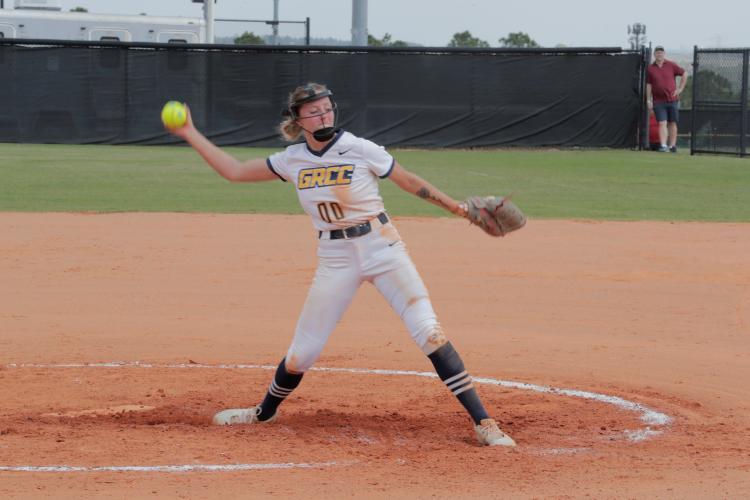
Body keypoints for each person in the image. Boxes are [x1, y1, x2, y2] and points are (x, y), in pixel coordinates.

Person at [166, 83, 517, 447]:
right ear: (298, 120)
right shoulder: (292, 160)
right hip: (335, 258)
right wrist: (189, 132)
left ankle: (484, 422)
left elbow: (410, 182)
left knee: (429, 332)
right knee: (303, 353)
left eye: (327, 108)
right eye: (314, 111)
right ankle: (265, 412)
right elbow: (235, 171)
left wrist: (459, 209)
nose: (324, 115)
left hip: (382, 247)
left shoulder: (360, 148)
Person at [646, 46, 688, 153]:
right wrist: (648, 99)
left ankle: (672, 146)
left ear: (664, 54)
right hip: (658, 101)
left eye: (661, 52)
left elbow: (684, 73)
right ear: (654, 55)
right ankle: (663, 145)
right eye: (657, 53)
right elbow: (649, 85)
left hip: (672, 99)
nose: (659, 54)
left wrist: (680, 89)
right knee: (662, 123)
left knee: (672, 123)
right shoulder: (650, 69)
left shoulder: (671, 65)